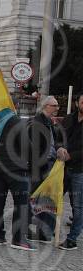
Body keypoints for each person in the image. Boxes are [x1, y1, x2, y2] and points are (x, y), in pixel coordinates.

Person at [0, 115, 35, 250]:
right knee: (21, 203)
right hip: (15, 169)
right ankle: (18, 238)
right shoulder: (15, 121)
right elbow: (26, 146)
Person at [27, 95, 64, 243]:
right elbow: (32, 147)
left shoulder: (50, 123)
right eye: (54, 106)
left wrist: (59, 149)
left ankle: (45, 233)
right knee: (34, 198)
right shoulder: (36, 122)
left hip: (51, 165)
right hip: (39, 167)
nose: (57, 108)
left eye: (57, 106)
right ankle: (26, 227)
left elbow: (54, 143)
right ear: (46, 106)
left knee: (48, 200)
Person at [57, 93, 83, 250]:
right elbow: (58, 136)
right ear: (77, 103)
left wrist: (70, 156)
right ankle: (47, 231)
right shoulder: (68, 119)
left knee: (77, 206)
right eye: (82, 102)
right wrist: (59, 147)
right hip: (62, 168)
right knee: (53, 199)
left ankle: (72, 239)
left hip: (80, 170)